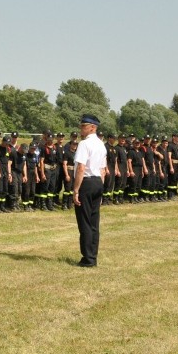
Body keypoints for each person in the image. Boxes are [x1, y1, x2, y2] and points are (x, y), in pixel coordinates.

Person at [72, 114, 108, 267]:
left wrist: (76, 190)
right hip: (97, 182)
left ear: (93, 127)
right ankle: (93, 255)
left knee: (85, 222)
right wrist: (101, 187)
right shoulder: (101, 144)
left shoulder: (84, 144)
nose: (81, 129)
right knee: (94, 222)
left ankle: (88, 259)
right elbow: (103, 170)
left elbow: (81, 167)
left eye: (84, 126)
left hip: (86, 182)